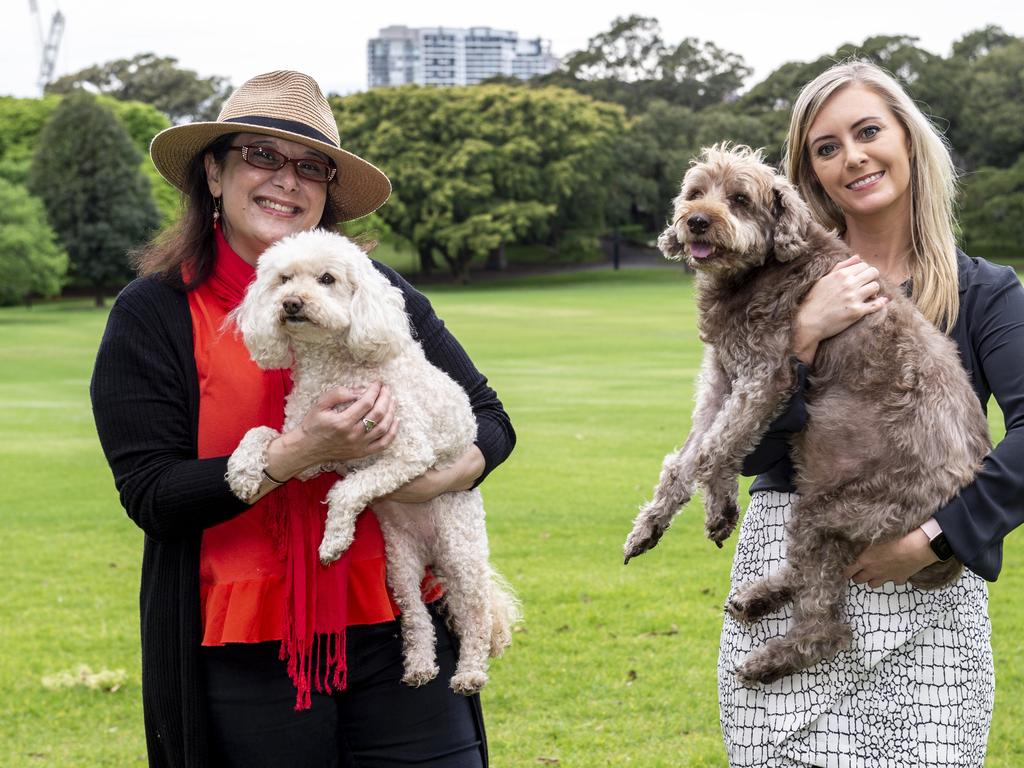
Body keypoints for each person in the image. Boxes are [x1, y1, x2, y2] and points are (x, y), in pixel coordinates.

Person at [90, 70, 515, 768]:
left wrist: (431, 479)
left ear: (325, 193)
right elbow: (152, 496)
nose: (287, 181)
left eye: (309, 167)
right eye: (261, 156)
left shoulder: (377, 291)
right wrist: (297, 452)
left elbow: (492, 423)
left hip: (397, 626)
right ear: (214, 173)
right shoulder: (154, 312)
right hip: (245, 649)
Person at [717, 59, 1024, 767]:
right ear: (811, 173)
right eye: (826, 148)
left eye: (867, 132)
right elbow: (751, 455)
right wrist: (801, 337)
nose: (851, 157)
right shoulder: (778, 291)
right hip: (790, 577)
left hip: (925, 590)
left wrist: (934, 541)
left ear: (908, 139)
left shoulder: (984, 292)